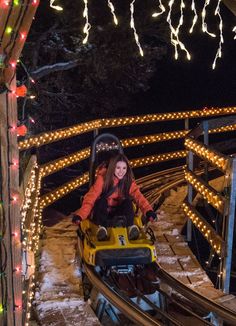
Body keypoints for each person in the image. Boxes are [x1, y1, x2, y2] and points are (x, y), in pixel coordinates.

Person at [71, 153, 160, 241]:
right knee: (101, 201)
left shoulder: (127, 181)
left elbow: (138, 196)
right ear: (112, 168)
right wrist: (80, 215)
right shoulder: (102, 179)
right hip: (102, 212)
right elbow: (91, 198)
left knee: (128, 202)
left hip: (117, 212)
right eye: (118, 168)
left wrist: (148, 211)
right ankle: (102, 229)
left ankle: (130, 227)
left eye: (124, 168)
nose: (121, 171)